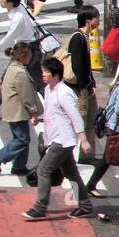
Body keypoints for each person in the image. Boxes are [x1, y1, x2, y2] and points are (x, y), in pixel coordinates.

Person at [23, 57, 94, 221]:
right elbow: (50, 115)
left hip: (63, 140)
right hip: (56, 139)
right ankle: (85, 206)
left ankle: (40, 207)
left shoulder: (64, 93)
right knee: (71, 174)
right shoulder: (49, 90)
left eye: (46, 72)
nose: (43, 75)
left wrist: (83, 140)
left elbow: (75, 117)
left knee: (43, 170)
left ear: (56, 74)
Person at [0, 41, 42, 176]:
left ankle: (19, 166)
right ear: (24, 56)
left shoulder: (12, 67)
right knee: (22, 139)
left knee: (21, 137)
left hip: (13, 109)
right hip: (17, 110)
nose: (31, 57)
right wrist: (34, 113)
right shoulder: (20, 72)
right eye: (29, 54)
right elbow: (27, 95)